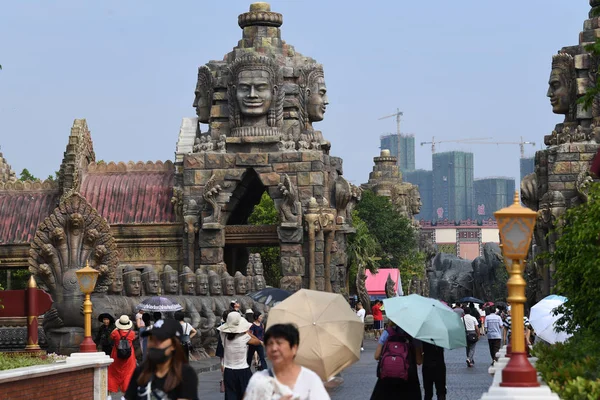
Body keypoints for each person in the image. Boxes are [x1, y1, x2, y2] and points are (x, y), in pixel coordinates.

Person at [244, 323, 330, 400]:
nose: (274, 348)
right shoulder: (258, 380)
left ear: (294, 348)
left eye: (279, 343)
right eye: (270, 343)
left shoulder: (310, 379)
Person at [125, 318, 198, 400]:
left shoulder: (185, 374)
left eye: (160, 339)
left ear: (174, 345)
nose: (153, 344)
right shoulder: (140, 371)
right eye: (151, 339)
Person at [371, 321, 422, 400]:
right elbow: (419, 361)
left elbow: (376, 356)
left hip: (387, 379)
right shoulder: (413, 335)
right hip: (408, 379)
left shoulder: (387, 332)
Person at [218, 311, 262, 400]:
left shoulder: (223, 335)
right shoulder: (244, 337)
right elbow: (257, 341)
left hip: (229, 371)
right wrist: (246, 332)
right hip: (243, 370)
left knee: (231, 396)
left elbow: (224, 330)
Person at [108, 315, 137, 399]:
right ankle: (125, 396)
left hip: (116, 357)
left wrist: (116, 329)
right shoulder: (132, 333)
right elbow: (133, 338)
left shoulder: (115, 333)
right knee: (128, 374)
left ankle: (109, 395)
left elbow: (111, 337)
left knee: (112, 373)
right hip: (129, 358)